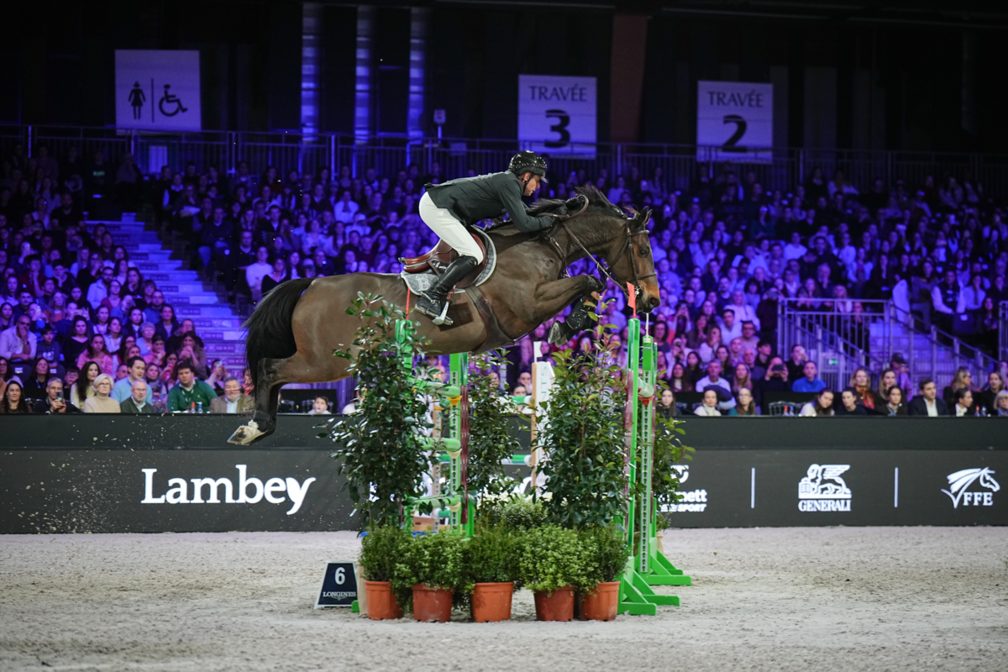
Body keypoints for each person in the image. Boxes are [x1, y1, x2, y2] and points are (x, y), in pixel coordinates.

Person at [416, 151, 556, 329]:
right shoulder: (510, 183)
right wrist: (552, 220)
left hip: (444, 207)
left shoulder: (509, 183)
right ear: (526, 176)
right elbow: (525, 224)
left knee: (477, 249)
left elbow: (526, 214)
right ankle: (432, 297)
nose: (537, 187)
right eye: (537, 180)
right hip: (438, 207)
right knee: (473, 253)